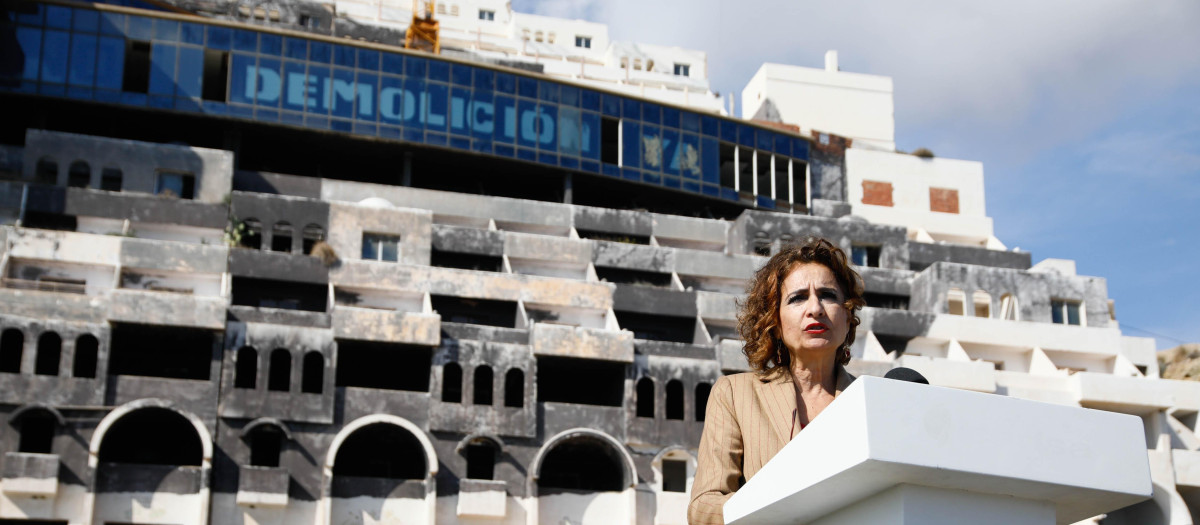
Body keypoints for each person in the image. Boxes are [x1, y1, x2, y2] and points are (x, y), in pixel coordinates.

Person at [688, 237, 865, 524]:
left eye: (829, 295)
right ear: (775, 321)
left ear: (847, 316)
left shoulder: (869, 402)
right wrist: (779, 504)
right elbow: (704, 507)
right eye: (797, 298)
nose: (815, 308)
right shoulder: (735, 394)